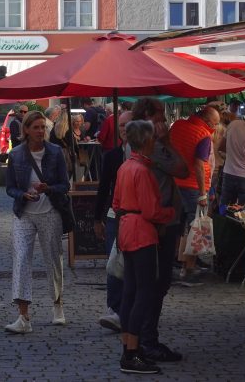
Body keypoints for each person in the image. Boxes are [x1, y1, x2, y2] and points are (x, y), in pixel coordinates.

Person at [113, 120, 173, 375]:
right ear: (147, 141)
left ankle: (129, 347)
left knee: (130, 291)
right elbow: (152, 211)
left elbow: (116, 203)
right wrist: (170, 213)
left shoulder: (126, 166)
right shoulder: (142, 170)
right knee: (144, 293)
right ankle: (132, 353)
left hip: (127, 228)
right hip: (141, 232)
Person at [130, 97, 188, 362]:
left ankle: (141, 339)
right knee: (155, 283)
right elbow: (182, 168)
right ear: (147, 118)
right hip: (159, 223)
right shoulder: (151, 147)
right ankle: (146, 340)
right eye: (159, 118)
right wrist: (166, 142)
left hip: (154, 222)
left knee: (151, 284)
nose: (164, 123)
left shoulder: (139, 145)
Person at [5, 110, 70, 334]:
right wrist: (22, 194)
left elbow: (65, 185)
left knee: (53, 259)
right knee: (21, 259)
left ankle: (57, 305)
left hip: (50, 212)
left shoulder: (55, 152)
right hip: (24, 213)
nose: (41, 131)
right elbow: (10, 187)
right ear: (26, 130)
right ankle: (23, 316)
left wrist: (48, 188)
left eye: (44, 127)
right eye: (36, 127)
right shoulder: (16, 155)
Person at [170, 106, 221, 280]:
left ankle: (173, 262)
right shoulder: (203, 135)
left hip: (174, 182)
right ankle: (189, 267)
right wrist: (202, 193)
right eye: (215, 123)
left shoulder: (177, 126)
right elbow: (199, 164)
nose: (215, 127)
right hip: (193, 185)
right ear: (207, 121)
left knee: (176, 224)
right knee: (195, 227)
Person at [95, 111, 132, 332]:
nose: (123, 130)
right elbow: (102, 189)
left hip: (137, 217)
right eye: (120, 126)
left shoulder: (147, 157)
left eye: (127, 125)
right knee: (114, 264)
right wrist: (97, 218)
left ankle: (130, 309)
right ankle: (115, 309)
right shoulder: (111, 156)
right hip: (113, 215)